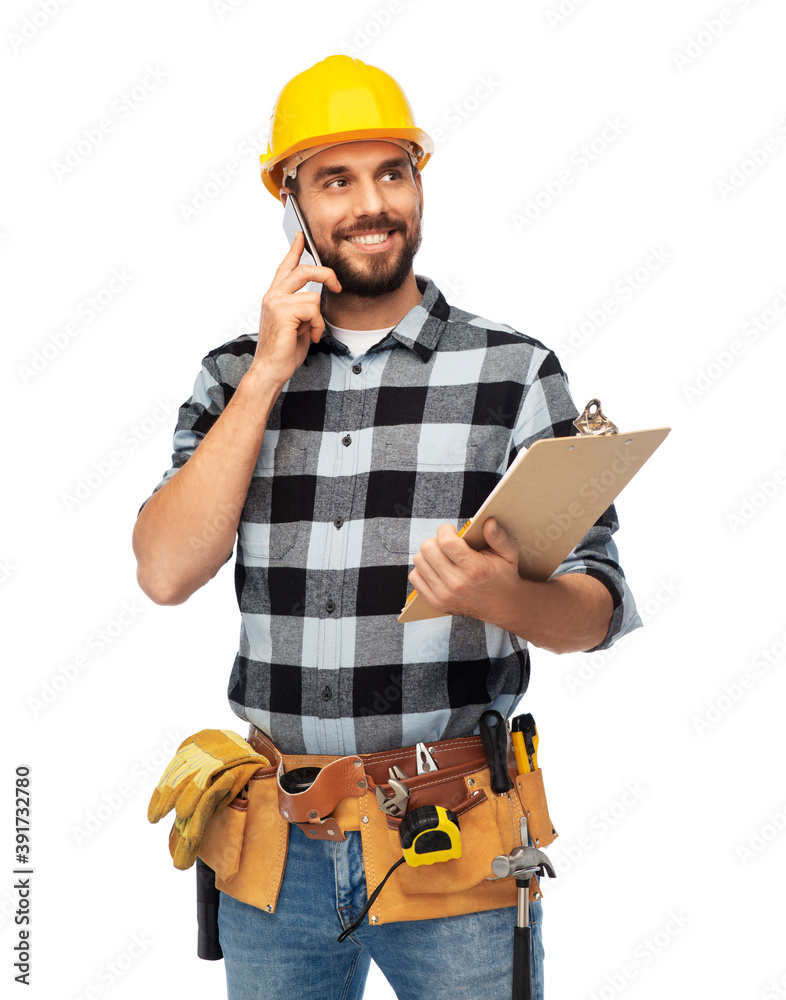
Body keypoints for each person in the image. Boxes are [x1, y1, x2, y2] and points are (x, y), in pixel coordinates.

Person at [134, 55, 641, 1000]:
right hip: (273, 853)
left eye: (393, 172)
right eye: (336, 179)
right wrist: (266, 377)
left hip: (454, 845)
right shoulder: (232, 376)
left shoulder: (515, 373)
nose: (373, 204)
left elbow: (597, 611)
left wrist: (499, 594)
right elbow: (164, 571)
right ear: (292, 206)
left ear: (418, 183)